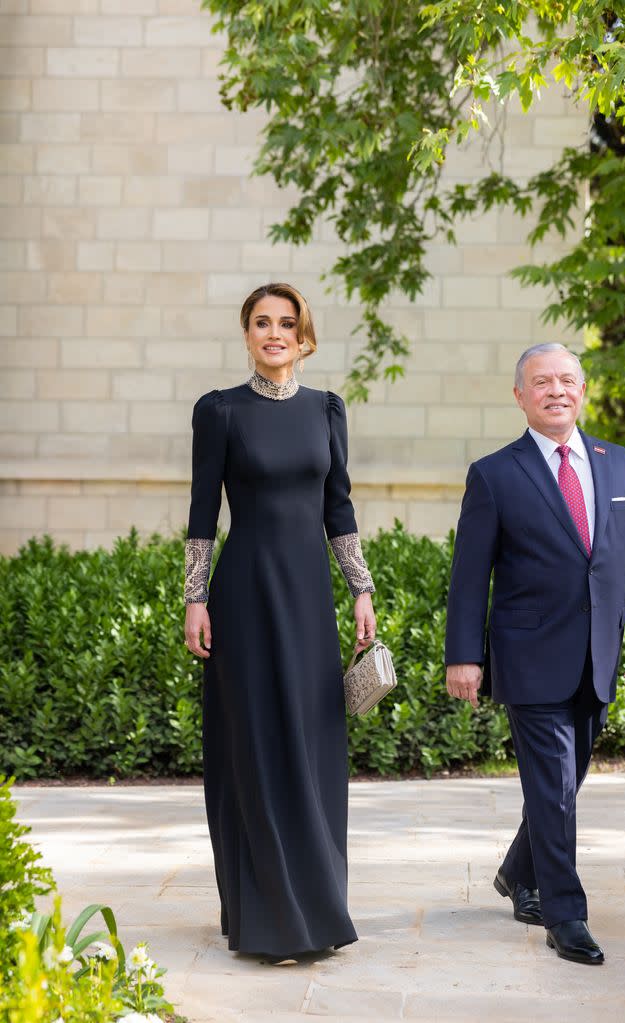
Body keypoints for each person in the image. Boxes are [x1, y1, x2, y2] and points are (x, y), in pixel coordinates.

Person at [445, 342, 625, 965]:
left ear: (584, 390)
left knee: (563, 785)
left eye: (567, 380)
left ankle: (519, 870)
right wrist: (465, 653)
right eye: (542, 382)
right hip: (528, 655)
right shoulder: (495, 473)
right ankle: (566, 914)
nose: (556, 390)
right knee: (555, 787)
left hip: (598, 656)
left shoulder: (623, 466)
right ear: (520, 396)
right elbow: (470, 574)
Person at [183, 282, 376, 959]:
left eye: (285, 323)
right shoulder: (220, 412)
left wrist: (360, 590)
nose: (273, 333)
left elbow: (339, 509)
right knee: (256, 746)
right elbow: (202, 513)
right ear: (246, 334)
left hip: (308, 601)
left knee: (314, 743)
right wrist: (194, 599)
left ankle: (319, 908)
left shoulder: (326, 410)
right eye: (261, 322)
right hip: (244, 597)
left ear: (303, 335)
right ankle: (264, 915)